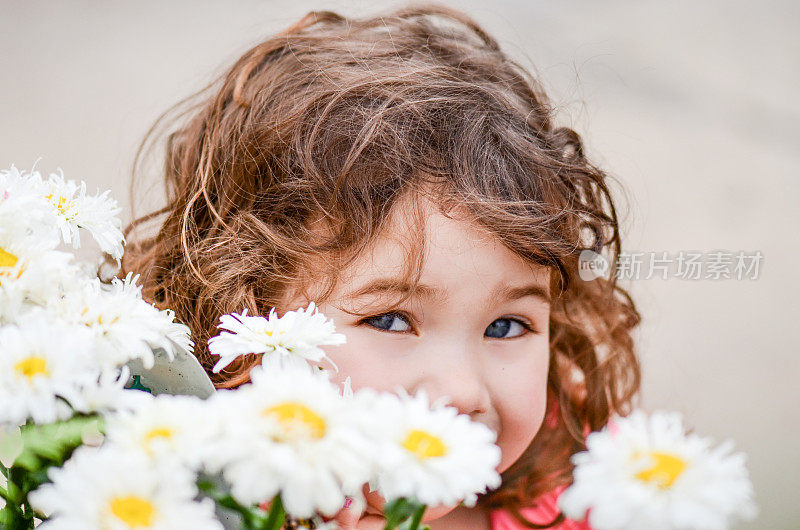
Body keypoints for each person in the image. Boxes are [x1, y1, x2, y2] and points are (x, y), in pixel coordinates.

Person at [118, 3, 642, 528]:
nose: (463, 391)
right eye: (390, 320)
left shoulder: (595, 485)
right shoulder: (179, 497)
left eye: (507, 327)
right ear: (248, 313)